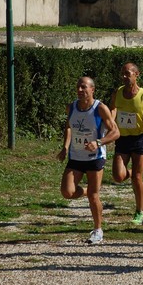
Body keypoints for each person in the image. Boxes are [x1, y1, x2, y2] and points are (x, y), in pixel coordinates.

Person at [58, 77, 119, 244]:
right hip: (76, 156)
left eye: (83, 87)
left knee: (94, 195)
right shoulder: (71, 107)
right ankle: (86, 191)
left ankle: (98, 230)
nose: (79, 90)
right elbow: (69, 127)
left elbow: (115, 132)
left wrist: (98, 142)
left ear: (92, 89)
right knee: (67, 192)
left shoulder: (100, 108)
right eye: (78, 87)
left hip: (95, 157)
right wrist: (65, 147)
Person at [110, 63, 143, 225]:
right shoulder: (117, 93)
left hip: (139, 138)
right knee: (118, 176)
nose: (124, 76)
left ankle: (140, 212)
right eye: (122, 74)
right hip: (123, 139)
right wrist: (110, 122)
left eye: (128, 73)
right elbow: (113, 110)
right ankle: (131, 172)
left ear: (136, 74)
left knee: (138, 177)